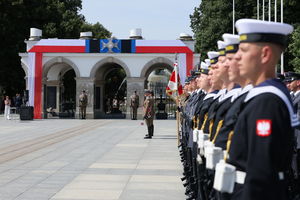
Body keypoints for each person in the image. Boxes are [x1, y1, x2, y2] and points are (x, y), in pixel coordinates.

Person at [226, 19, 297, 200]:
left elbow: (260, 175)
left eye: (244, 50)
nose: (237, 57)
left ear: (265, 54)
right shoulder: (262, 98)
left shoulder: (267, 102)